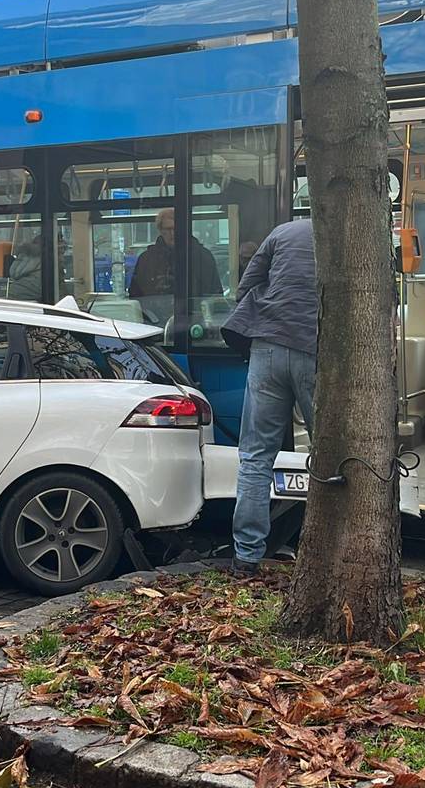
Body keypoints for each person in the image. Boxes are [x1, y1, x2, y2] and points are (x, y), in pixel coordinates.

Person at [222, 218, 318, 573]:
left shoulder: (281, 231)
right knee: (328, 455)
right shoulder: (349, 233)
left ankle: (246, 556)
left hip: (267, 348)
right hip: (314, 348)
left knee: (255, 457)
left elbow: (244, 288)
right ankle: (319, 549)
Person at [128, 207, 222, 301]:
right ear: (160, 230)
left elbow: (215, 295)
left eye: (176, 229)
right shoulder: (146, 260)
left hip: (194, 313)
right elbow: (135, 295)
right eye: (168, 229)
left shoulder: (203, 257)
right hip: (154, 313)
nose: (172, 234)